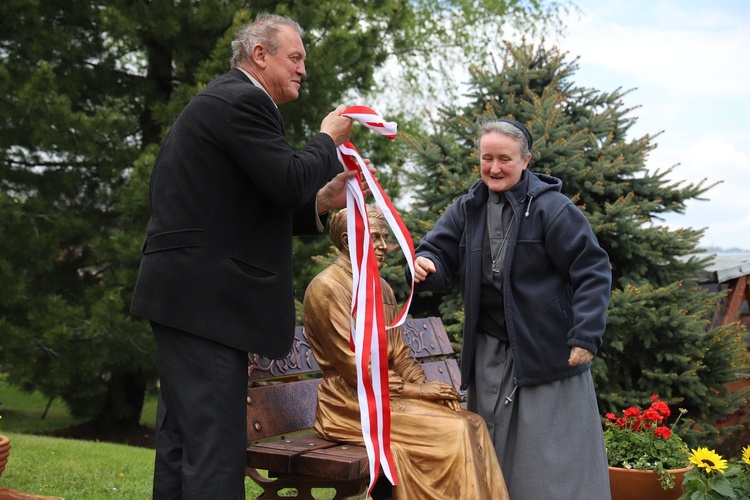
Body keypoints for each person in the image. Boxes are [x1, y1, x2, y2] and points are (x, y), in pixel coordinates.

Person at [130, 13, 357, 499]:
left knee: (183, 442)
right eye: (294, 58)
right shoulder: (241, 102)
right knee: (214, 451)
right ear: (260, 55)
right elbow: (289, 178)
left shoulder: (228, 102)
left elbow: (248, 204)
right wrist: (328, 139)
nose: (302, 70)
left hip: (188, 299)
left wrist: (318, 203)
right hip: (205, 305)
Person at [412, 119, 613, 499]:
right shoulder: (467, 209)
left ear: (526, 161)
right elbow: (436, 249)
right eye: (487, 158)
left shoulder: (553, 210)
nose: (494, 168)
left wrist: (586, 335)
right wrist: (427, 262)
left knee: (549, 462)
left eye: (504, 159)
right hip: (489, 352)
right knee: (491, 452)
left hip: (547, 355)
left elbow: (592, 270)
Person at [303, 208, 509, 500]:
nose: (383, 246)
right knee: (454, 431)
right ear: (349, 241)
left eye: (385, 238)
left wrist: (427, 387)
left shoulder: (383, 288)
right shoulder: (327, 288)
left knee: (471, 422)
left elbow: (399, 353)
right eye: (374, 237)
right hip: (351, 403)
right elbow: (356, 368)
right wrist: (419, 393)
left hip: (389, 392)